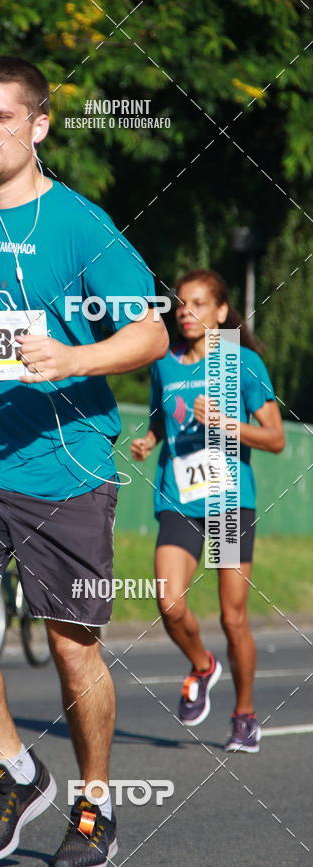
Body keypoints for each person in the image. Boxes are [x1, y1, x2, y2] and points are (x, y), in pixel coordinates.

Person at [0, 56, 168, 867]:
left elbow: (150, 334)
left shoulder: (82, 228)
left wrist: (76, 360)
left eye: (1, 118)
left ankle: (95, 802)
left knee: (73, 644)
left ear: (39, 126)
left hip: (66, 466)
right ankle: (16, 769)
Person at [131, 268, 285, 753]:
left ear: (221, 313)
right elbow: (161, 415)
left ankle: (244, 713)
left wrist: (227, 425)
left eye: (198, 304)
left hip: (227, 500)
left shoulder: (240, 363)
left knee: (233, 618)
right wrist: (149, 439)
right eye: (180, 304)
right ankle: (202, 665)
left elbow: (277, 438)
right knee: (169, 601)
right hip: (178, 495)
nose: (185, 312)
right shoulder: (165, 363)